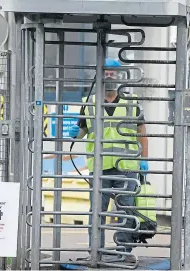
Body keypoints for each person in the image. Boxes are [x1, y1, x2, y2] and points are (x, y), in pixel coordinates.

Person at [69, 58, 149, 262]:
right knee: (97, 211)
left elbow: (142, 131)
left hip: (127, 165)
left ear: (120, 76)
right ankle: (95, 252)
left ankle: (124, 252)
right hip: (100, 166)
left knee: (126, 210)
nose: (110, 75)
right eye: (107, 72)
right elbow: (82, 130)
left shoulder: (131, 102)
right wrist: (74, 133)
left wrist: (144, 161)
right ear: (100, 75)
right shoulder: (90, 103)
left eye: (114, 72)